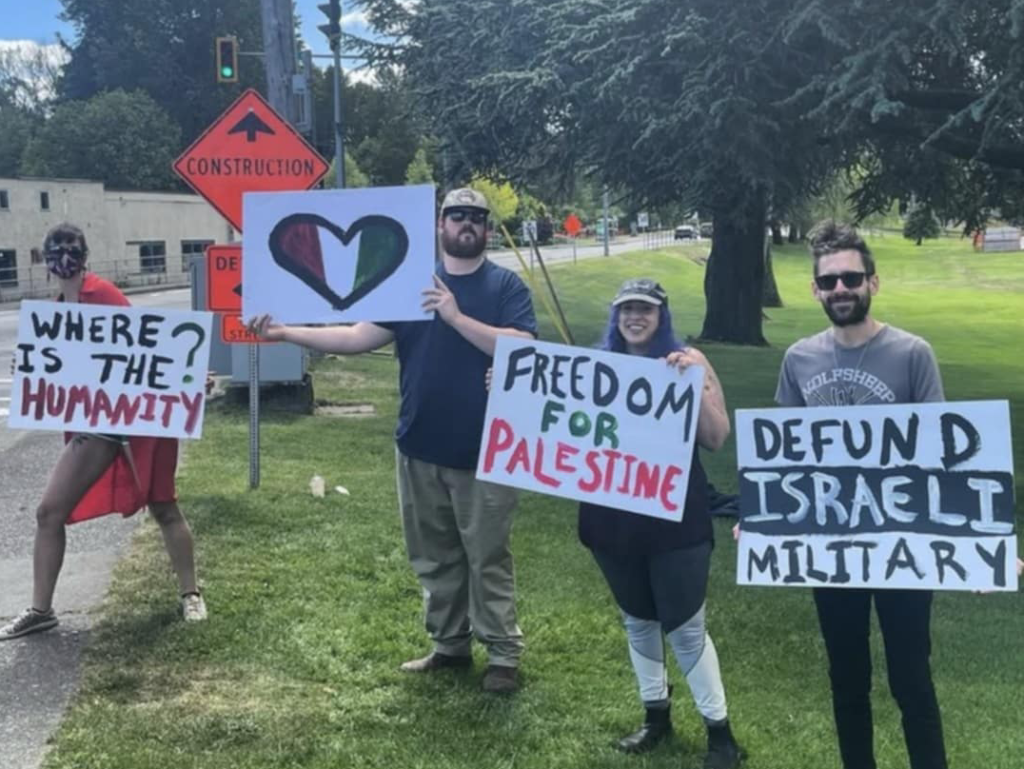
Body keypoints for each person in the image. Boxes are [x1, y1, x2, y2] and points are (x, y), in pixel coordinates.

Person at [248, 188, 537, 693]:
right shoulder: (411, 285)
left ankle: (503, 657)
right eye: (456, 216)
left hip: (487, 449)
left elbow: (524, 347)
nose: (466, 224)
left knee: (487, 555)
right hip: (419, 445)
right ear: (439, 225)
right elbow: (357, 336)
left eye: (476, 218)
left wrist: (455, 316)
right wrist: (288, 333)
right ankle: (449, 646)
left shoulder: (505, 286)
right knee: (435, 556)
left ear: (487, 230)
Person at [773, 220, 947, 769]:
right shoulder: (798, 360)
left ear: (874, 282)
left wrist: (976, 545)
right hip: (833, 549)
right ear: (815, 290)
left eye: (851, 278)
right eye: (829, 282)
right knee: (846, 681)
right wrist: (766, 519)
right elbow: (783, 460)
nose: (840, 289)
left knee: (911, 681)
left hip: (902, 547)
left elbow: (946, 457)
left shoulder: (913, 354)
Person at [0, 223, 207, 642]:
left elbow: (146, 353)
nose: (64, 258)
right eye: (56, 250)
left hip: (138, 423)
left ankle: (191, 594)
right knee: (48, 512)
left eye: (71, 249)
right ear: (44, 260)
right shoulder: (55, 310)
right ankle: (41, 609)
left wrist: (183, 380)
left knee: (164, 506)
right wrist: (29, 371)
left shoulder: (105, 295)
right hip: (96, 428)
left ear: (85, 254)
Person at [577, 278, 743, 768]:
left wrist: (694, 382)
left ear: (661, 315)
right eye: (626, 308)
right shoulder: (595, 366)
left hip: (675, 518)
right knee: (638, 620)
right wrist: (504, 386)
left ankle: (720, 733)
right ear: (616, 315)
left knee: (686, 625)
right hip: (611, 516)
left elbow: (716, 437)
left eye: (645, 309)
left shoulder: (690, 361)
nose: (635, 317)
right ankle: (656, 716)